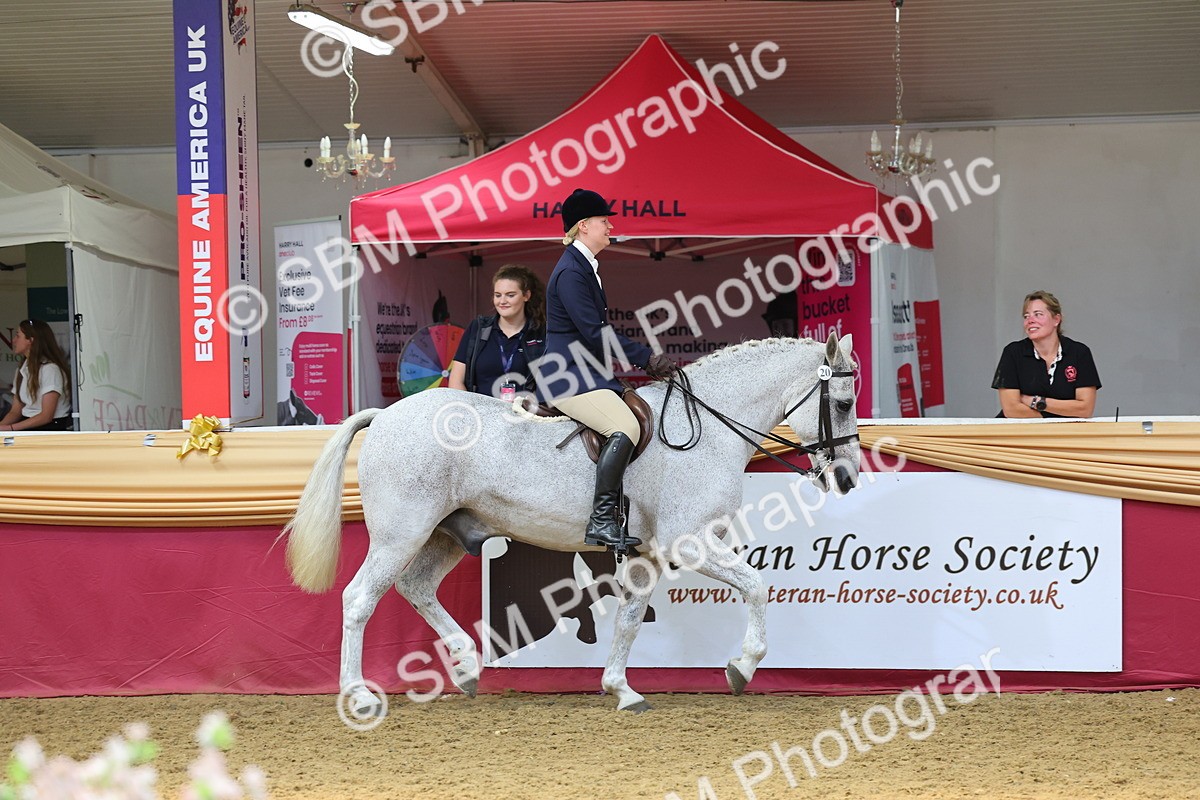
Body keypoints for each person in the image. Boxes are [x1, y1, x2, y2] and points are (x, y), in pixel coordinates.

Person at [538, 188, 678, 551]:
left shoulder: (584, 267)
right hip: (567, 376)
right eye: (604, 221)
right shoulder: (571, 271)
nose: (611, 226)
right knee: (625, 426)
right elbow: (594, 332)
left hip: (586, 372)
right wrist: (645, 358)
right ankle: (601, 520)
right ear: (584, 226)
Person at [992, 291, 1101, 418]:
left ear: (1056, 319)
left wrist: (1036, 402)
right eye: (1026, 316)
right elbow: (1011, 410)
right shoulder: (1013, 352)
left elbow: (1085, 409)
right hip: (1019, 434)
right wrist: (1055, 419)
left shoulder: (1079, 353)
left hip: (1065, 435)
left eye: (1038, 314)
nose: (1030, 320)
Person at [449, 264, 547, 399]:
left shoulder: (541, 333)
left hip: (524, 416)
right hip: (479, 415)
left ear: (526, 296)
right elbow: (456, 381)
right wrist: (469, 412)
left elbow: (551, 385)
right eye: (497, 295)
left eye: (510, 295)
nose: (502, 301)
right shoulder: (478, 328)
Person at [1, 319, 73, 432]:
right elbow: (15, 412)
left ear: (31, 340)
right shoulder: (22, 370)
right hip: (28, 425)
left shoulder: (50, 369)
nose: (14, 341)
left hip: (50, 429)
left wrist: (10, 428)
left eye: (18, 336)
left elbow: (46, 416)